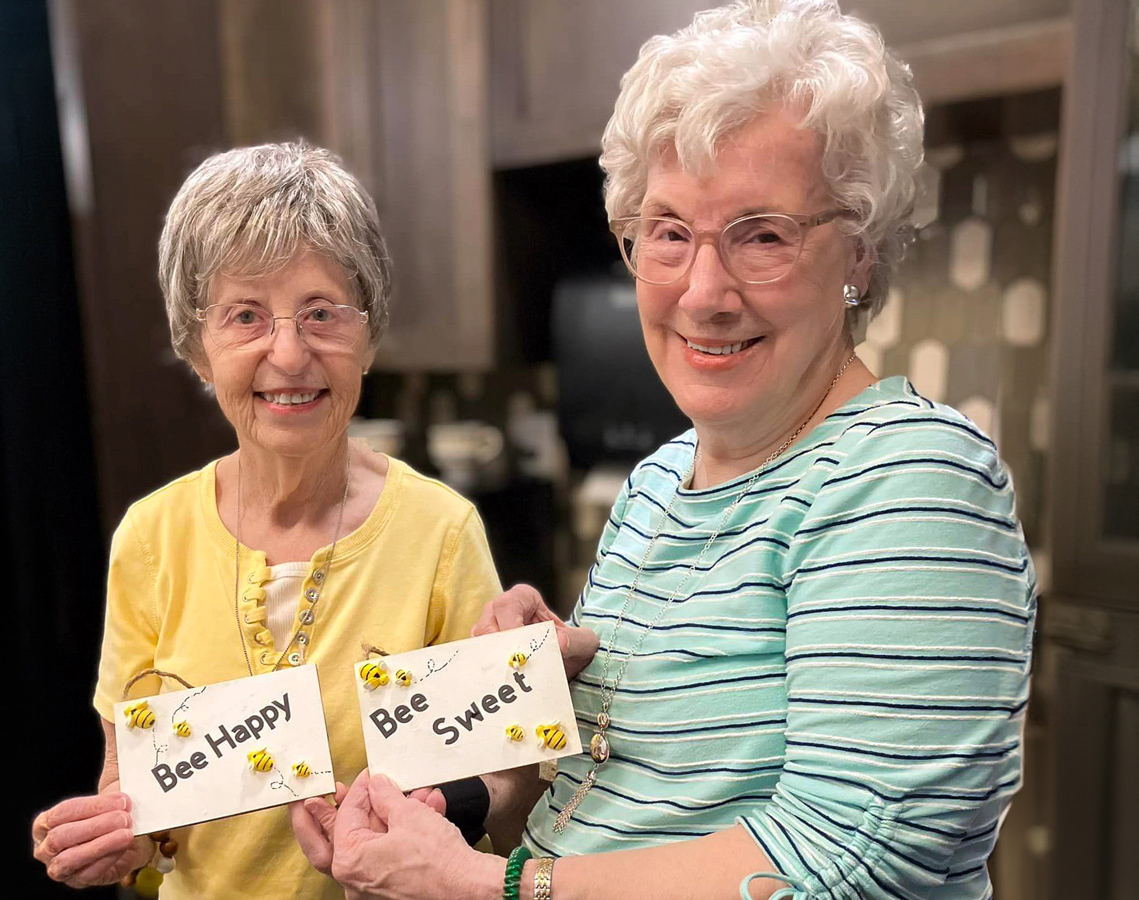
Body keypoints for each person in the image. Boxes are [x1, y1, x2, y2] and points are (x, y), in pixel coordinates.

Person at [291, 2, 1035, 898]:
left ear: (861, 258)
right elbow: (609, 796)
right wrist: (461, 796)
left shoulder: (911, 482)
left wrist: (486, 889)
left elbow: (847, 866)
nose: (703, 291)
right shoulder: (656, 486)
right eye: (670, 234)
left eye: (762, 234)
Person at [31, 141, 502, 898]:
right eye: (245, 316)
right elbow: (137, 789)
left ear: (369, 333)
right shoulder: (151, 540)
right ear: (197, 347)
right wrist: (115, 838)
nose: (288, 354)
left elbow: (499, 773)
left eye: (321, 313)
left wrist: (443, 809)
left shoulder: (441, 533)